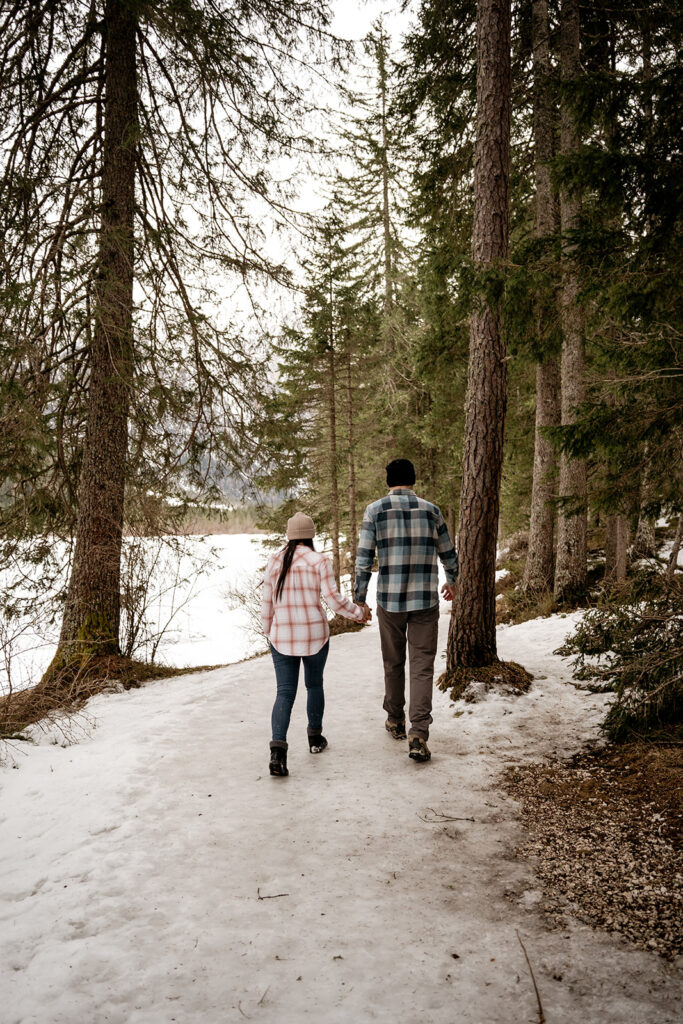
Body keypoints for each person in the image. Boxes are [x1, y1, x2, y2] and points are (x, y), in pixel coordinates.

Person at [354, 459, 458, 763]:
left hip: (390, 599)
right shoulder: (432, 510)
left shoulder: (374, 511)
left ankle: (396, 719)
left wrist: (360, 599)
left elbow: (363, 560)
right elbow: (449, 553)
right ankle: (418, 734)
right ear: (413, 480)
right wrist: (452, 581)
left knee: (393, 661)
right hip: (426, 598)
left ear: (389, 481)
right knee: (422, 666)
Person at [261, 511, 370, 777]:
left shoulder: (274, 561)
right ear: (311, 536)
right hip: (314, 636)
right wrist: (359, 613)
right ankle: (314, 739)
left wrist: (269, 632)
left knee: (284, 692)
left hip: (282, 637)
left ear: (289, 536)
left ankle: (277, 752)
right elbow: (333, 600)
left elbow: (267, 603)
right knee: (314, 685)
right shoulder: (318, 560)